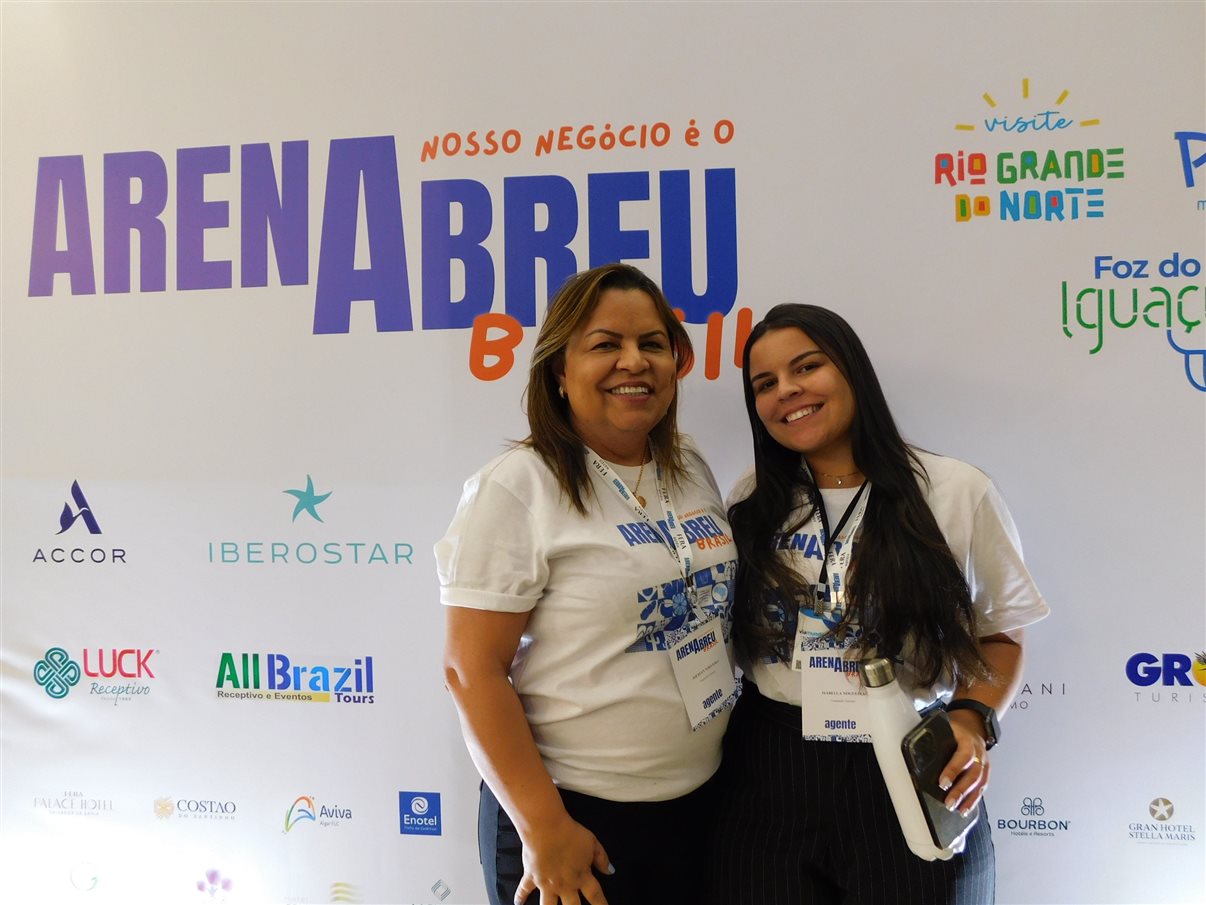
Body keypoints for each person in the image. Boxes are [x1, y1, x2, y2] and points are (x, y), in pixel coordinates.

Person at [708, 303, 1049, 905]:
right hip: (770, 760)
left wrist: (972, 719)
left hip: (909, 752)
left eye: (806, 367)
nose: (787, 391)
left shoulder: (954, 491)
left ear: (851, 371)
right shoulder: (753, 499)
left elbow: (1002, 630)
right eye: (765, 384)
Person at [438, 263, 739, 905]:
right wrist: (544, 828)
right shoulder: (519, 486)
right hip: (575, 819)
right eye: (606, 344)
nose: (635, 362)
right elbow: (472, 671)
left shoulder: (688, 469)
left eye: (652, 344)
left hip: (700, 807)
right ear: (558, 371)